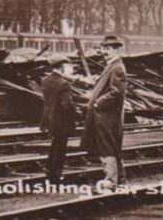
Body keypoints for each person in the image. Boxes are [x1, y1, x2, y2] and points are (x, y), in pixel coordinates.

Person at [81, 35, 127, 191]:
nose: (104, 52)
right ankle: (119, 179)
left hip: (107, 116)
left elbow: (117, 92)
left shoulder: (117, 67)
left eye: (108, 49)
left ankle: (111, 180)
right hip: (107, 115)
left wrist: (97, 102)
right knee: (111, 146)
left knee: (107, 147)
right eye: (103, 48)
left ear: (116, 49)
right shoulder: (112, 65)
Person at [40, 54, 77, 184]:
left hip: (49, 118)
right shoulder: (63, 83)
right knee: (60, 148)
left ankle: (50, 172)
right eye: (67, 65)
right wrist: (77, 115)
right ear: (61, 66)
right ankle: (55, 176)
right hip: (61, 120)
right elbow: (67, 105)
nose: (69, 68)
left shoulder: (45, 80)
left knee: (54, 145)